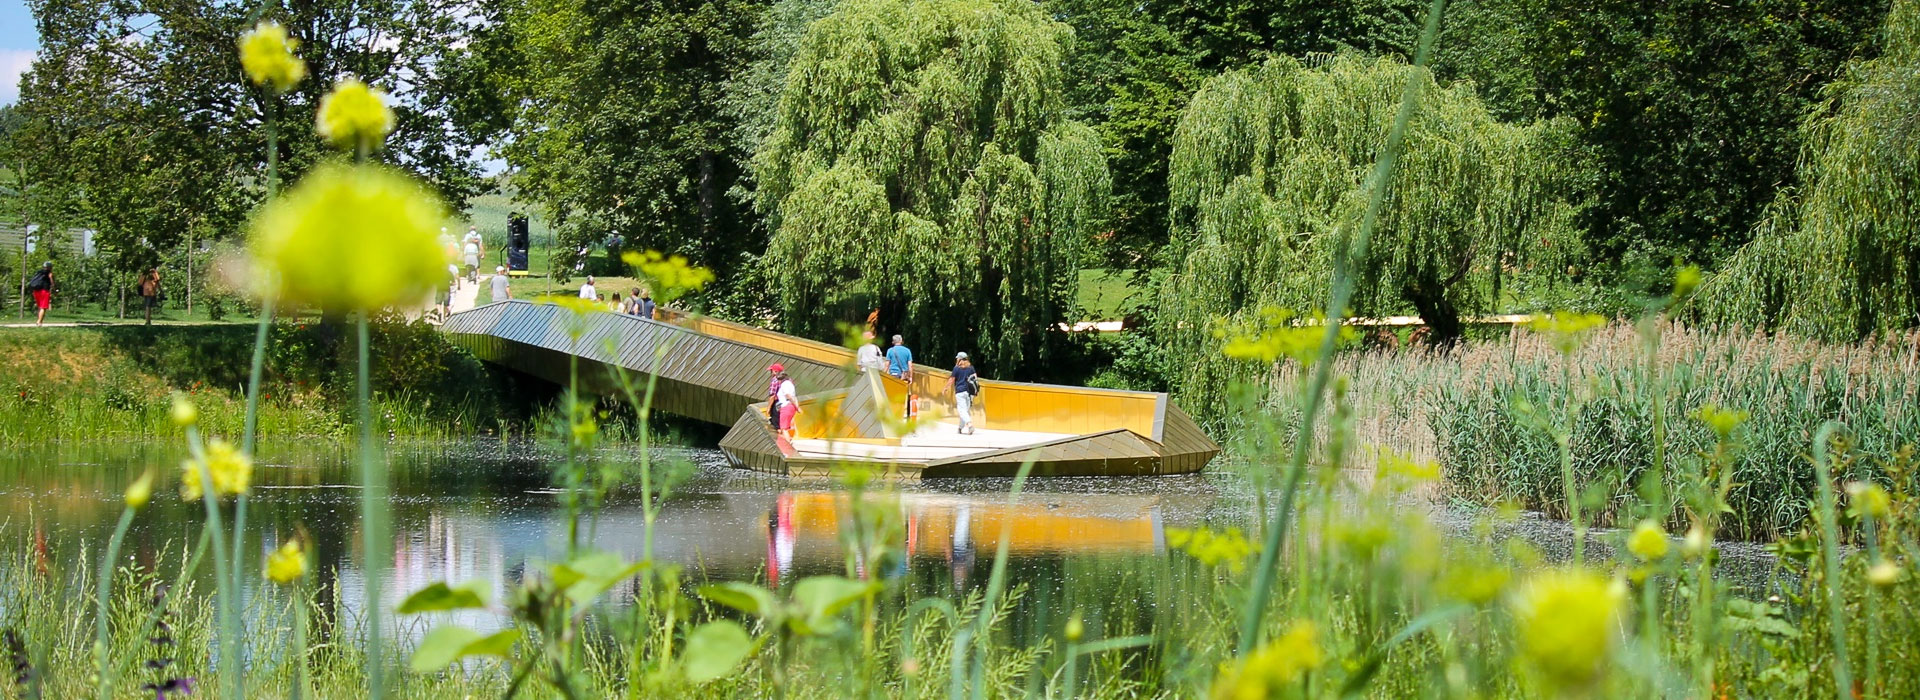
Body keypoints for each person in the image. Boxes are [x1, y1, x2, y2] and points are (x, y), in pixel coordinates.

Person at [950, 352, 980, 435]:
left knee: (962, 410)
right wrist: (976, 390)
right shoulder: (971, 368)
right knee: (965, 411)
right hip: (970, 393)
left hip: (960, 392)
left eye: (957, 358)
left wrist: (945, 388)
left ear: (960, 359)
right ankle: (960, 428)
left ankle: (970, 425)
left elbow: (952, 379)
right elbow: (975, 379)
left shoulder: (956, 368)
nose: (956, 359)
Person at [26, 262, 53, 326]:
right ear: (50, 267)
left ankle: (38, 320)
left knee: (40, 307)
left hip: (36, 291)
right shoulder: (49, 273)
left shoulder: (39, 272)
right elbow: (52, 283)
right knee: (43, 307)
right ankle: (39, 322)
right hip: (44, 291)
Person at [775, 371, 800, 439]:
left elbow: (788, 395)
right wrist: (796, 406)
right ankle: (789, 439)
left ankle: (787, 443)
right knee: (788, 426)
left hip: (786, 407)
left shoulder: (784, 385)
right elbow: (794, 397)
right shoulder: (791, 384)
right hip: (791, 407)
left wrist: (797, 407)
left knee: (784, 429)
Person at [765, 363, 785, 429]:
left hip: (777, 403)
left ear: (776, 372)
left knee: (775, 423)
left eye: (772, 371)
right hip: (786, 403)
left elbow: (772, 396)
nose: (771, 373)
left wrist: (768, 408)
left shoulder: (775, 380)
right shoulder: (786, 379)